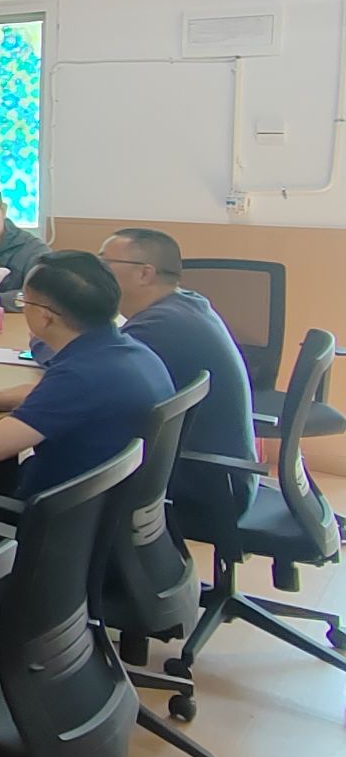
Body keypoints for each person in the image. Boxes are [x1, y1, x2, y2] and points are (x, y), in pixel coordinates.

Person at [0, 250, 174, 499]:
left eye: (24, 301)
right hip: (107, 502)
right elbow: (58, 395)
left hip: (60, 510)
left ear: (44, 317)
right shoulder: (127, 350)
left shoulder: (81, 375)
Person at [98, 227, 258, 534]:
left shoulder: (159, 326)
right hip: (220, 476)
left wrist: (48, 334)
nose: (96, 274)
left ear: (145, 273)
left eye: (105, 264)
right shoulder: (185, 304)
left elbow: (91, 374)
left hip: (202, 488)